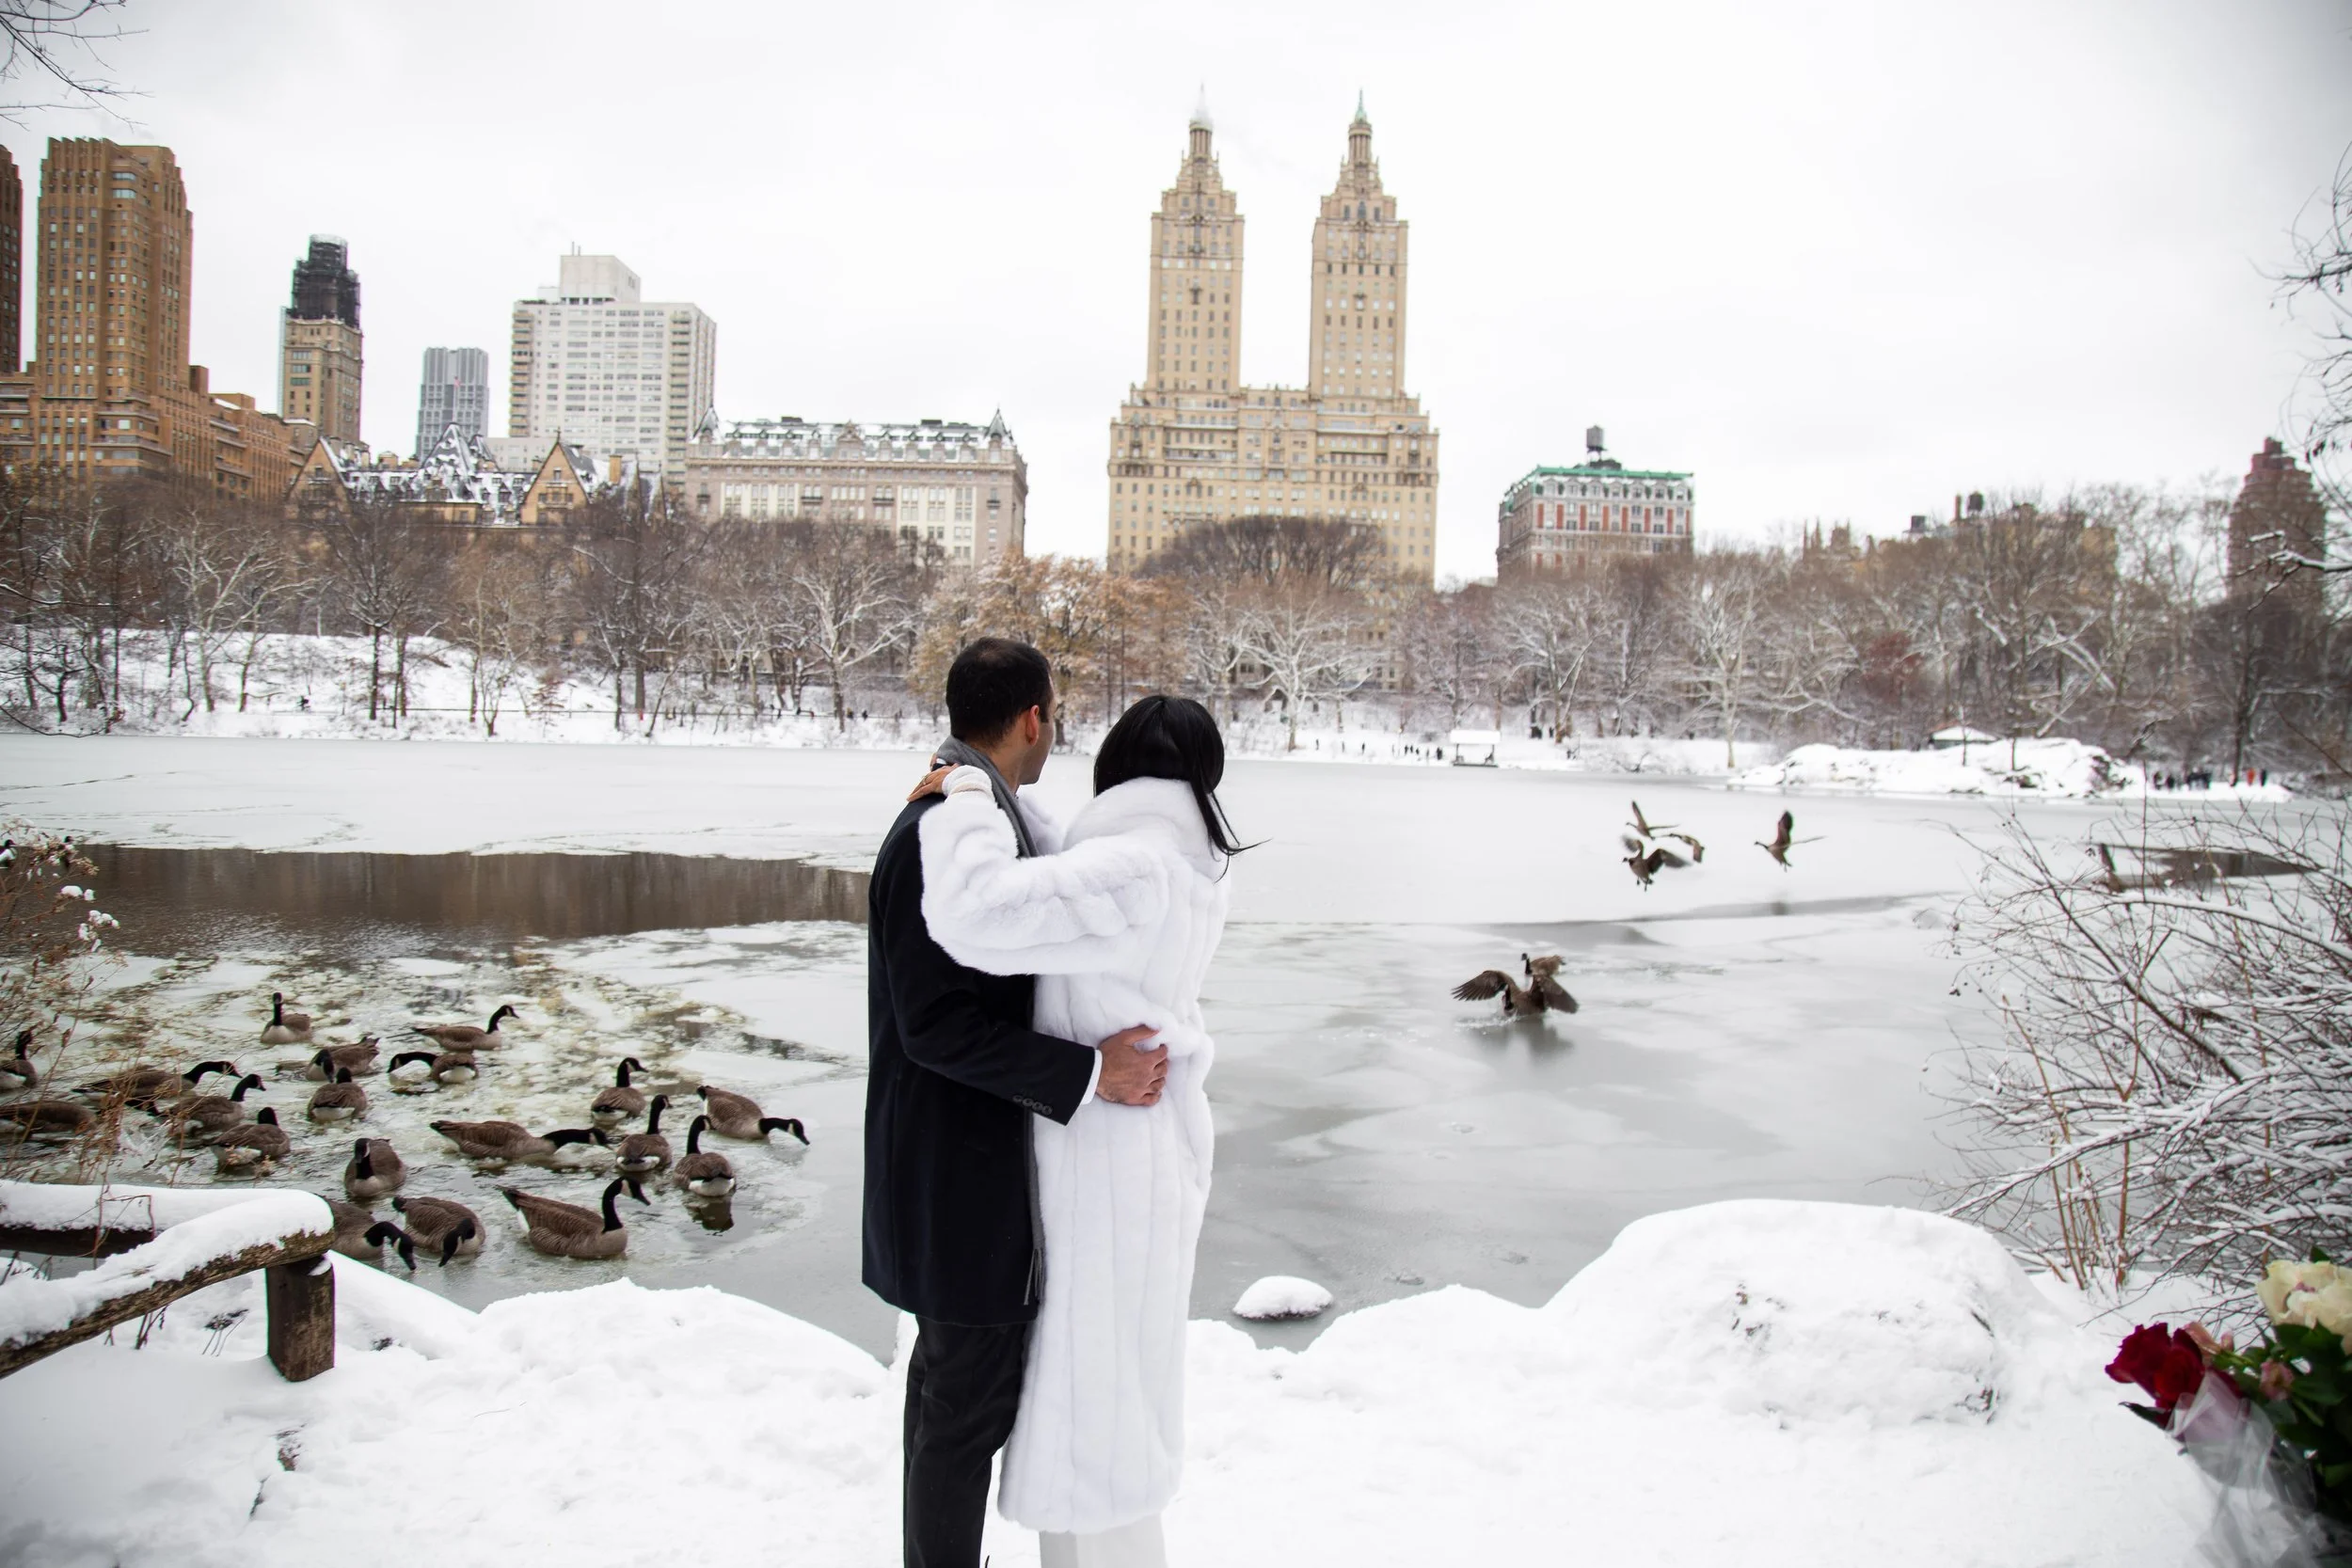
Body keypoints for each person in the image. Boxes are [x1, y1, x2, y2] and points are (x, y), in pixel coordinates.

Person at [913, 693, 1246, 1568]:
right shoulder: (1182, 858)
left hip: (1109, 1165)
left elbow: (977, 913)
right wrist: (1013, 802)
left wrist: (968, 800)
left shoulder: (1134, 868)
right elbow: (1073, 873)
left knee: (1097, 1399)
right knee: (1117, 1386)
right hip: (1145, 1150)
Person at [865, 638, 1169, 1568]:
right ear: (1034, 715)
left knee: (953, 1394)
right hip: (951, 1170)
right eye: (1055, 711)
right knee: (964, 1403)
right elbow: (934, 1025)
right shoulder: (943, 829)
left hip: (953, 1162)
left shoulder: (973, 812)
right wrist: (1088, 1073)